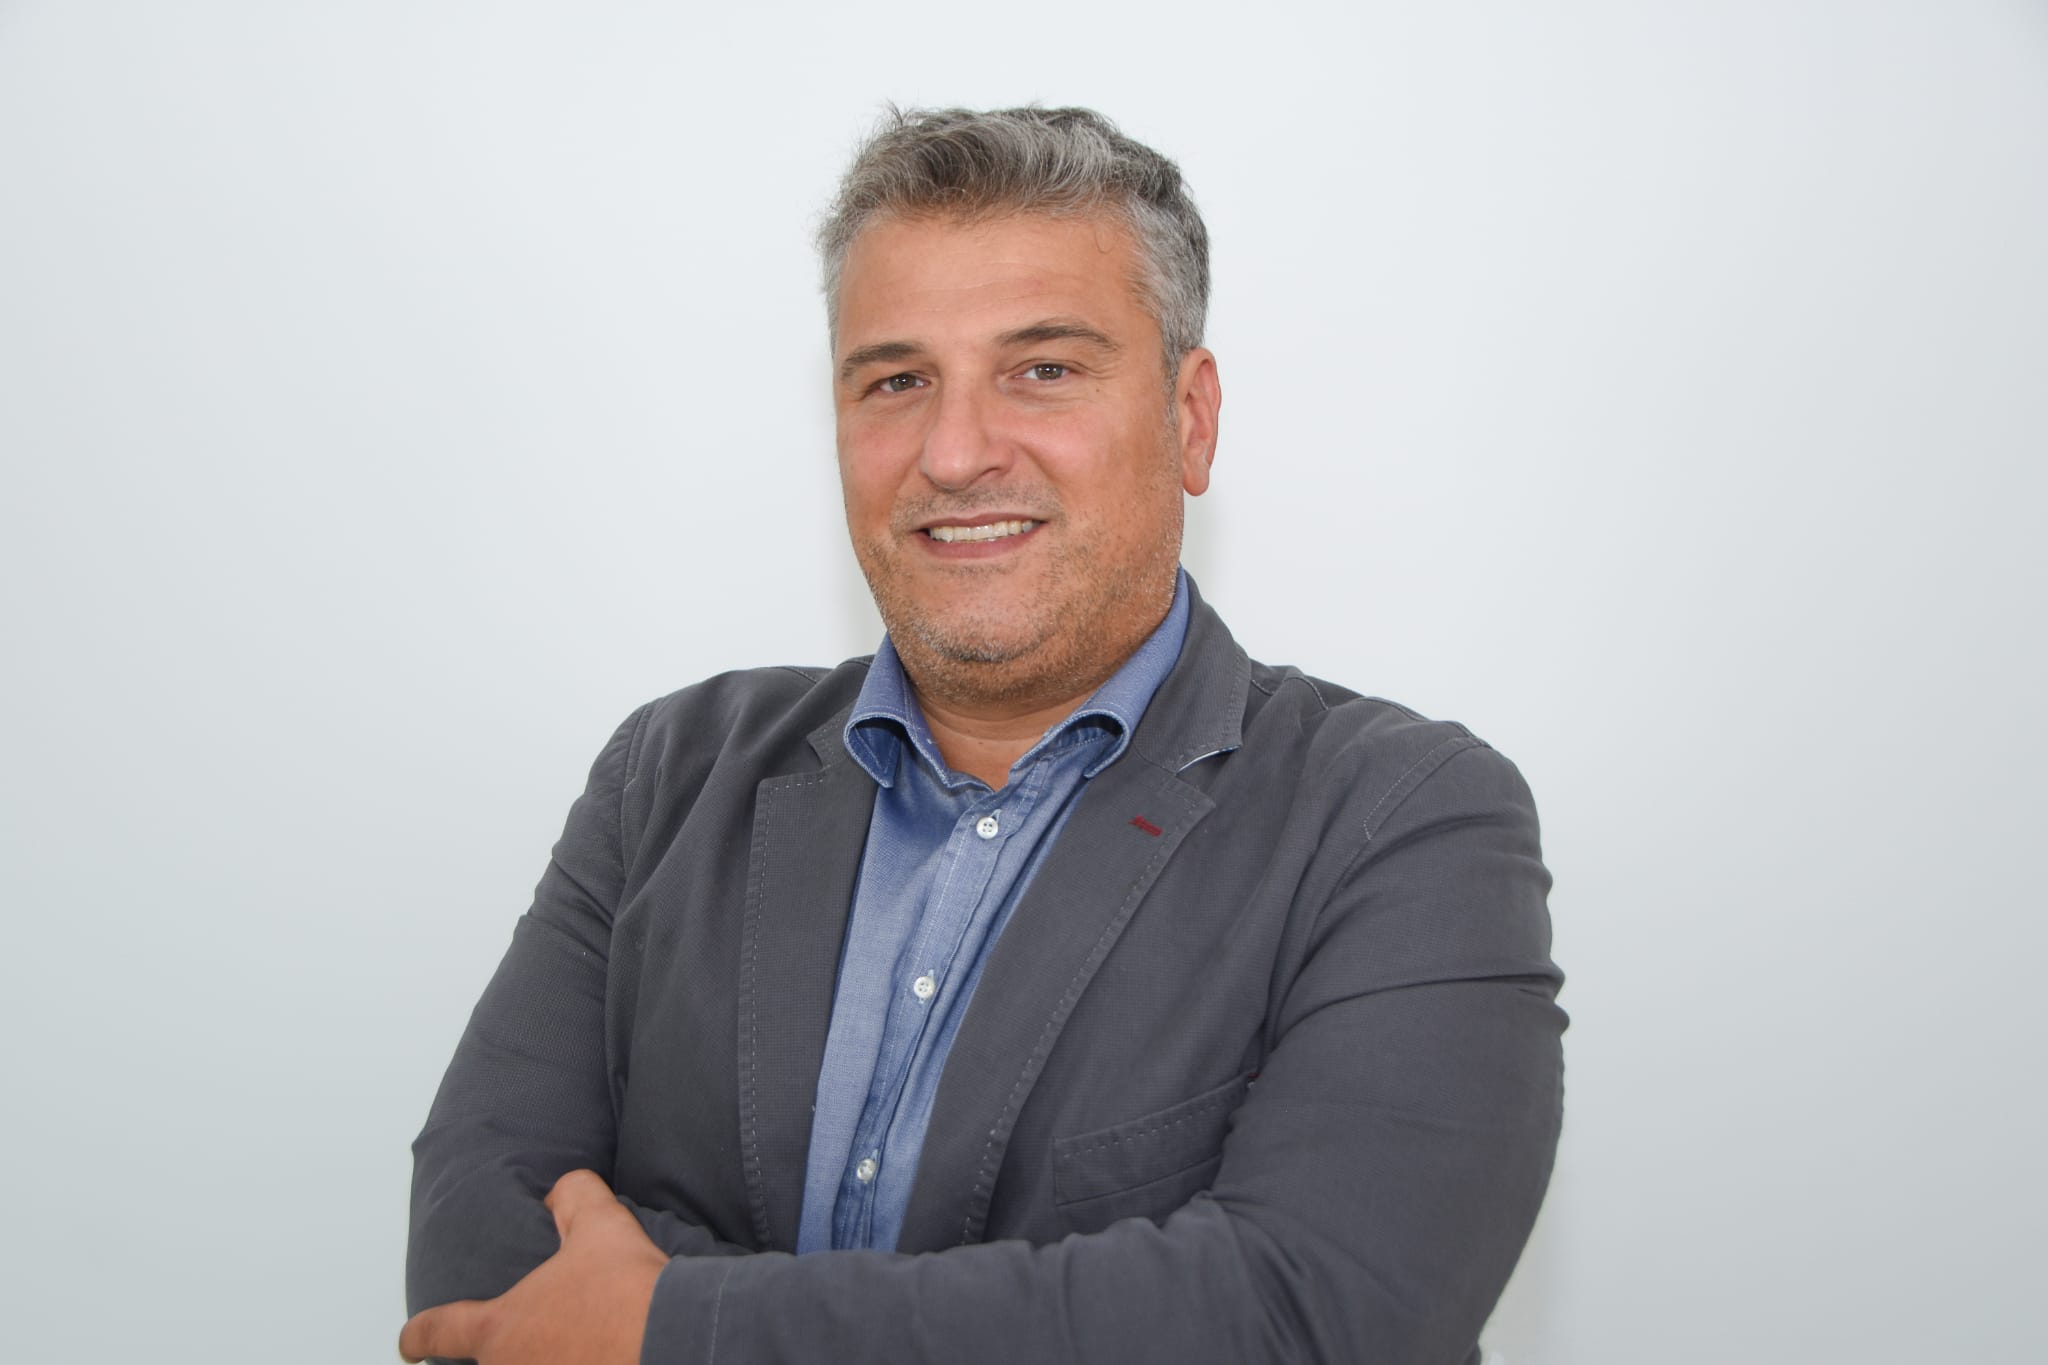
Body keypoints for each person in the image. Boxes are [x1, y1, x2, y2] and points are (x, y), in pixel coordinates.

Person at [401, 105, 1565, 1365]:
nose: (954, 454)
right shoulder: (667, 776)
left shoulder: (1401, 821)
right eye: (896, 381)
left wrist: (677, 1324)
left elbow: (1316, 1315)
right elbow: (478, 1257)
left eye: (1042, 370)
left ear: (1189, 417)